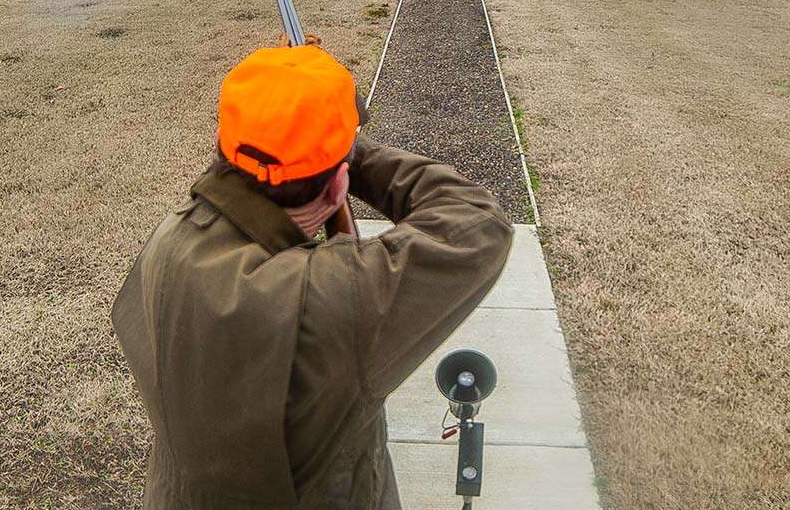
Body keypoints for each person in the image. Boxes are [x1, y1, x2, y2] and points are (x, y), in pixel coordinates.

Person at [112, 42, 514, 509]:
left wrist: (305, 130)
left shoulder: (174, 238)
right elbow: (478, 221)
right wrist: (351, 153)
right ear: (339, 183)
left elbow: (237, 169)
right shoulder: (335, 300)